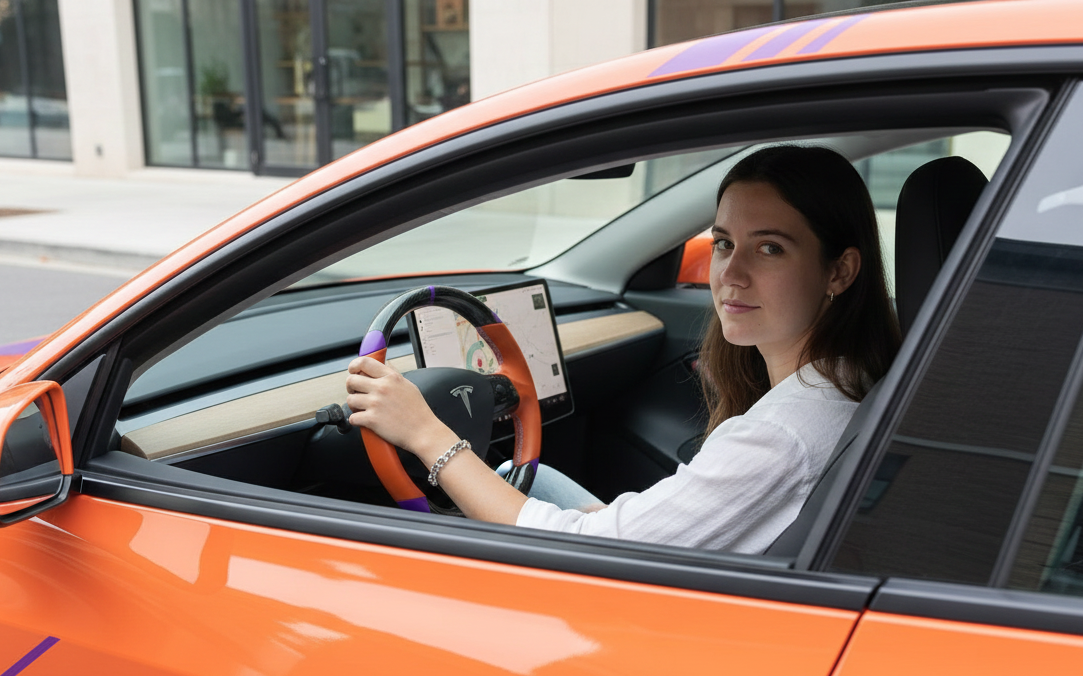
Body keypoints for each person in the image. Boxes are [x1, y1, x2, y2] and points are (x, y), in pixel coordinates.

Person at [345, 145, 901, 553]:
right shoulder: (849, 378)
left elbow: (591, 550)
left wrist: (427, 435)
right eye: (725, 243)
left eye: (771, 249)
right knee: (531, 477)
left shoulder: (783, 433)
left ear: (840, 271)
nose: (731, 274)